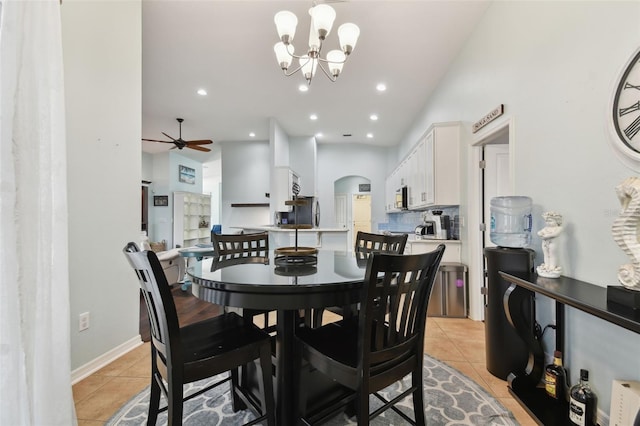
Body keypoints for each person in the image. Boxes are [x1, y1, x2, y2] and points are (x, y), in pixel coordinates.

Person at [537, 211, 563, 278]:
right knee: (546, 254)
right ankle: (546, 265)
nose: (548, 222)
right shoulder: (546, 228)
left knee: (552, 254)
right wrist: (540, 233)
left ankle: (552, 266)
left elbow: (555, 234)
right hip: (544, 243)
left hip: (552, 243)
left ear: (557, 221)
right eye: (546, 221)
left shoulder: (558, 228)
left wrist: (546, 236)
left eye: (550, 221)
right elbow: (539, 232)